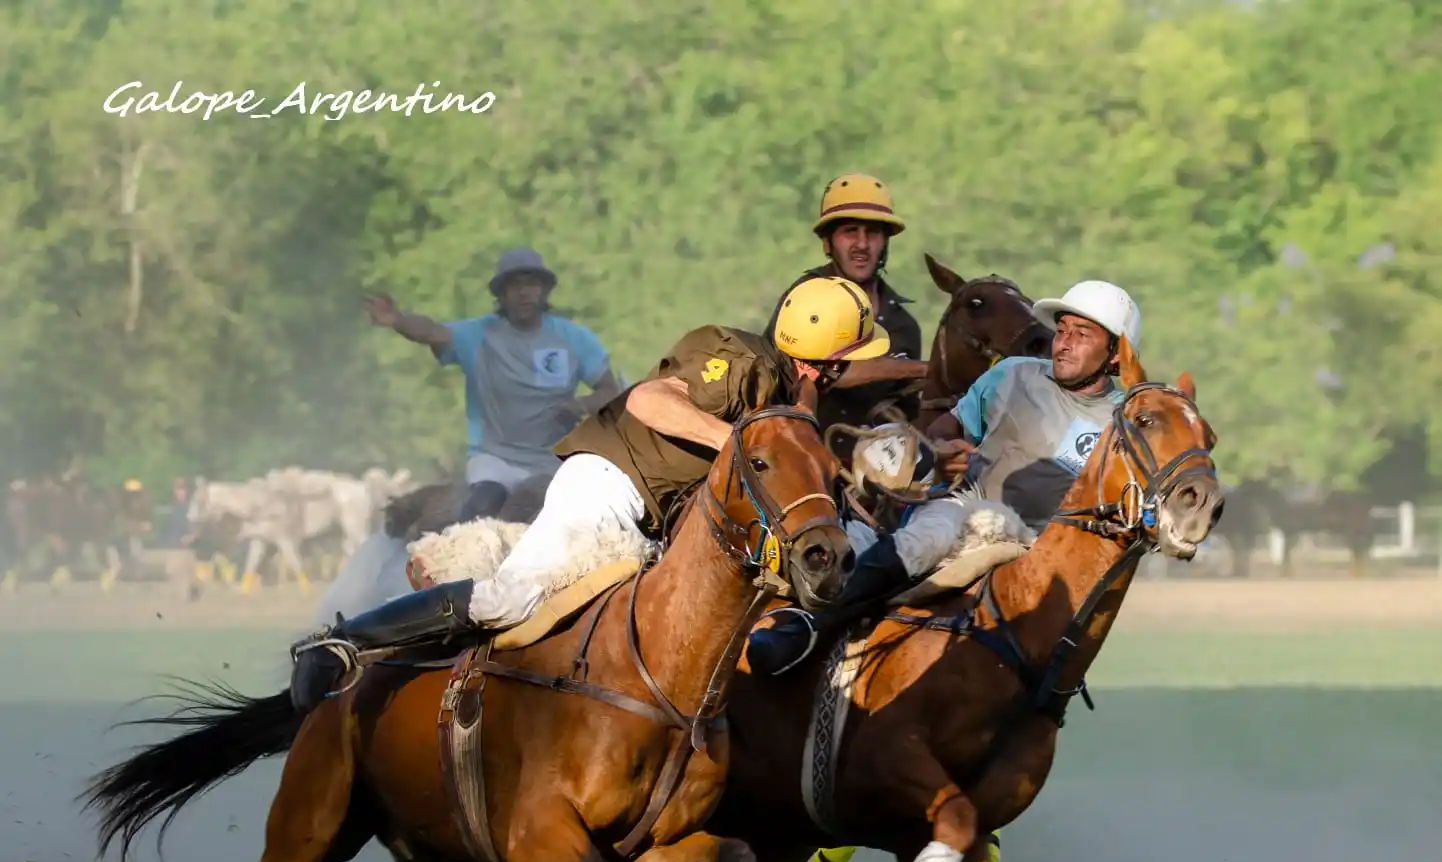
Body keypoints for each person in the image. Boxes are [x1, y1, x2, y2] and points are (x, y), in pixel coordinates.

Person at [289, 276, 892, 713]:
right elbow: (649, 400)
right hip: (611, 482)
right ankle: (341, 645)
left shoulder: (787, 398)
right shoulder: (738, 357)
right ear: (824, 362)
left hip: (652, 524)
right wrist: (732, 440)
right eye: (844, 363)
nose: (844, 375)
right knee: (508, 600)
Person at [745, 278, 1142, 676]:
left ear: (1114, 356)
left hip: (1043, 549)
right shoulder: (1012, 373)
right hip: (967, 508)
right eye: (1062, 330)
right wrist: (940, 453)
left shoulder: (1126, 420)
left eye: (1083, 334)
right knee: (928, 536)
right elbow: (943, 430)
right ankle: (807, 628)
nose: (1064, 342)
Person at [362, 247, 622, 520]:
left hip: (553, 462)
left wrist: (580, 404)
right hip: (495, 460)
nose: (524, 293)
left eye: (532, 284)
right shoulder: (478, 335)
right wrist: (398, 320)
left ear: (544, 290)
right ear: (501, 293)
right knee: (482, 508)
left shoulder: (574, 339)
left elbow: (610, 393)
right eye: (515, 285)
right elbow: (431, 331)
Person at [764, 174, 922, 361]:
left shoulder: (903, 326)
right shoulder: (803, 300)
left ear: (885, 242)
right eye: (850, 231)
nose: (862, 244)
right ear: (827, 241)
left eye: (872, 232)